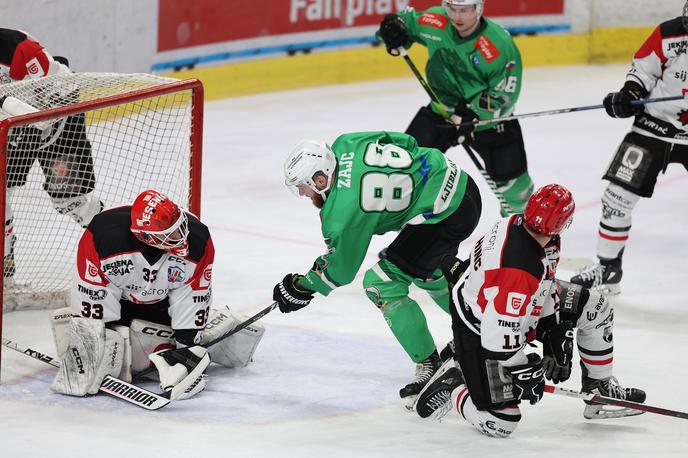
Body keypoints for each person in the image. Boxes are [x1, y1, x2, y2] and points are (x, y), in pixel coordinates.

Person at [411, 184, 646, 437]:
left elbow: (545, 284)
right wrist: (522, 370)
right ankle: (454, 382)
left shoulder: (533, 231)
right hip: (478, 329)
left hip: (503, 305)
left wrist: (552, 328)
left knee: (596, 307)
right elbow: (496, 337)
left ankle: (599, 388)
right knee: (502, 422)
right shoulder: (519, 268)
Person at [272, 131, 482, 406]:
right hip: (461, 185)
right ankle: (480, 324)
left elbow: (339, 272)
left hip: (445, 214)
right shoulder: (347, 143)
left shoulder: (341, 212)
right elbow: (407, 142)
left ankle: (431, 364)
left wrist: (301, 285)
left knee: (381, 283)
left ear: (320, 179)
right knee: (427, 272)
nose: (302, 193)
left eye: (303, 186)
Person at [50, 190, 264, 400]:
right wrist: (94, 340)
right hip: (122, 304)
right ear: (145, 236)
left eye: (180, 227)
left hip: (162, 305)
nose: (182, 238)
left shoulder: (198, 240)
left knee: (148, 355)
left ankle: (217, 327)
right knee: (109, 353)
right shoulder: (103, 238)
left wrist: (188, 349)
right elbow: (93, 293)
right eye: (170, 235)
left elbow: (193, 297)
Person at [570, 6, 688, 294]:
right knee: (617, 197)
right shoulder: (669, 32)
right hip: (654, 125)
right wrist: (630, 94)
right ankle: (608, 268)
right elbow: (644, 70)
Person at [376, 0, 534, 215]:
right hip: (443, 109)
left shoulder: (498, 45)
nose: (457, 17)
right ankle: (407, 223)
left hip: (487, 121)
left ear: (478, 9)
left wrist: (475, 113)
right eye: (452, 9)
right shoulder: (436, 20)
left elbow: (505, 94)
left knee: (515, 189)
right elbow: (405, 22)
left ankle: (521, 232)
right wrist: (392, 28)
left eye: (465, 10)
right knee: (405, 162)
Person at [0, 28, 103, 280]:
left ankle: (121, 242)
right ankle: (5, 274)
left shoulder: (16, 48)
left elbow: (56, 92)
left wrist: (25, 113)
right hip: (12, 125)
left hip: (59, 114)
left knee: (70, 200)